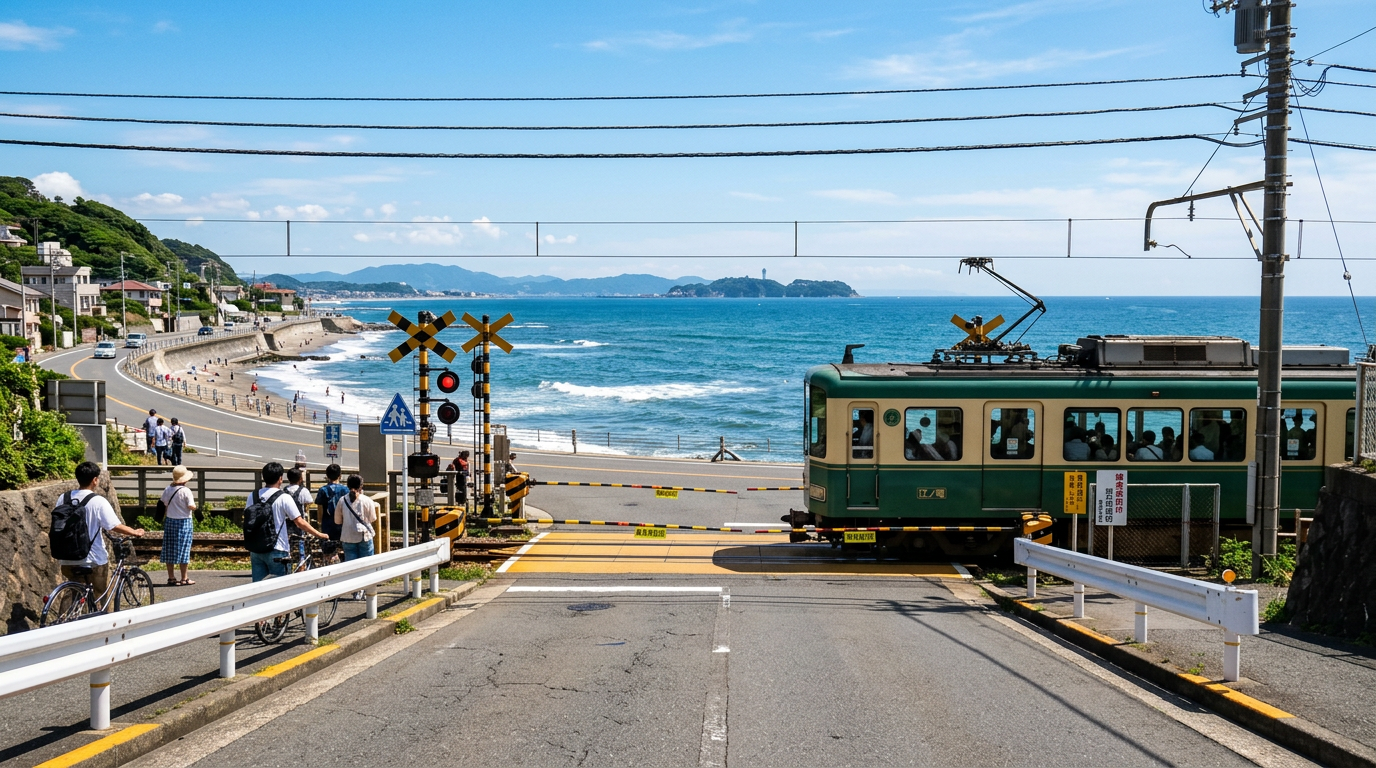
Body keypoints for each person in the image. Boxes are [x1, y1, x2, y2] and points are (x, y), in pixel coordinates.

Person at [54, 461, 146, 600]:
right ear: (95, 480)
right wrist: (134, 532)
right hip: (93, 559)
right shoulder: (98, 501)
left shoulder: (64, 498)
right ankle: (100, 618)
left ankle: (66, 620)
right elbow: (113, 525)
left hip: (66, 558)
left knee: (74, 592)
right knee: (100, 596)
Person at [249, 462, 328, 582]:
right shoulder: (283, 497)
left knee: (258, 589)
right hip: (278, 549)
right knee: (280, 589)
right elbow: (299, 521)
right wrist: (319, 534)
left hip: (256, 549)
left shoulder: (253, 496)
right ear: (280, 478)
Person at [159, 465, 197, 586]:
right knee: (184, 550)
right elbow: (191, 506)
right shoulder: (186, 491)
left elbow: (163, 502)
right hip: (184, 522)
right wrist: (196, 508)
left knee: (169, 549)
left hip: (170, 521)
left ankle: (171, 577)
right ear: (185, 479)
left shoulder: (168, 489)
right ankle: (184, 578)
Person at [334, 474, 378, 572]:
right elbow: (373, 518)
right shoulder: (367, 500)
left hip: (348, 536)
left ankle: (355, 586)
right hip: (364, 536)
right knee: (367, 566)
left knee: (351, 568)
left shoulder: (342, 500)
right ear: (361, 486)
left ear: (348, 486)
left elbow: (337, 521)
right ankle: (367, 585)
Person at [314, 463, 347, 541]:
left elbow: (320, 509)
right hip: (343, 523)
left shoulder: (323, 490)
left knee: (329, 548)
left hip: (327, 523)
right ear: (340, 476)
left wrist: (319, 522)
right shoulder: (345, 490)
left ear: (327, 476)